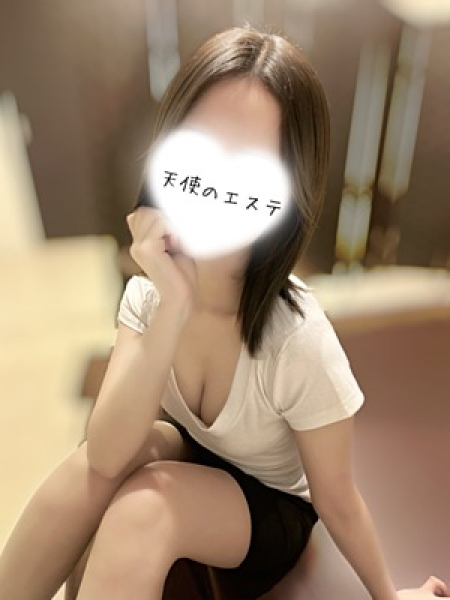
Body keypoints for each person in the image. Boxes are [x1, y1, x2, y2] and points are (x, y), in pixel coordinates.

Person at [0, 25, 447, 600]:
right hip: (196, 453)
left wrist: (389, 595)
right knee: (86, 471)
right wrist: (173, 301)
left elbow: (337, 498)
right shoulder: (150, 293)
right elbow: (107, 455)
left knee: (141, 510)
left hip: (270, 506)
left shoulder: (296, 337)